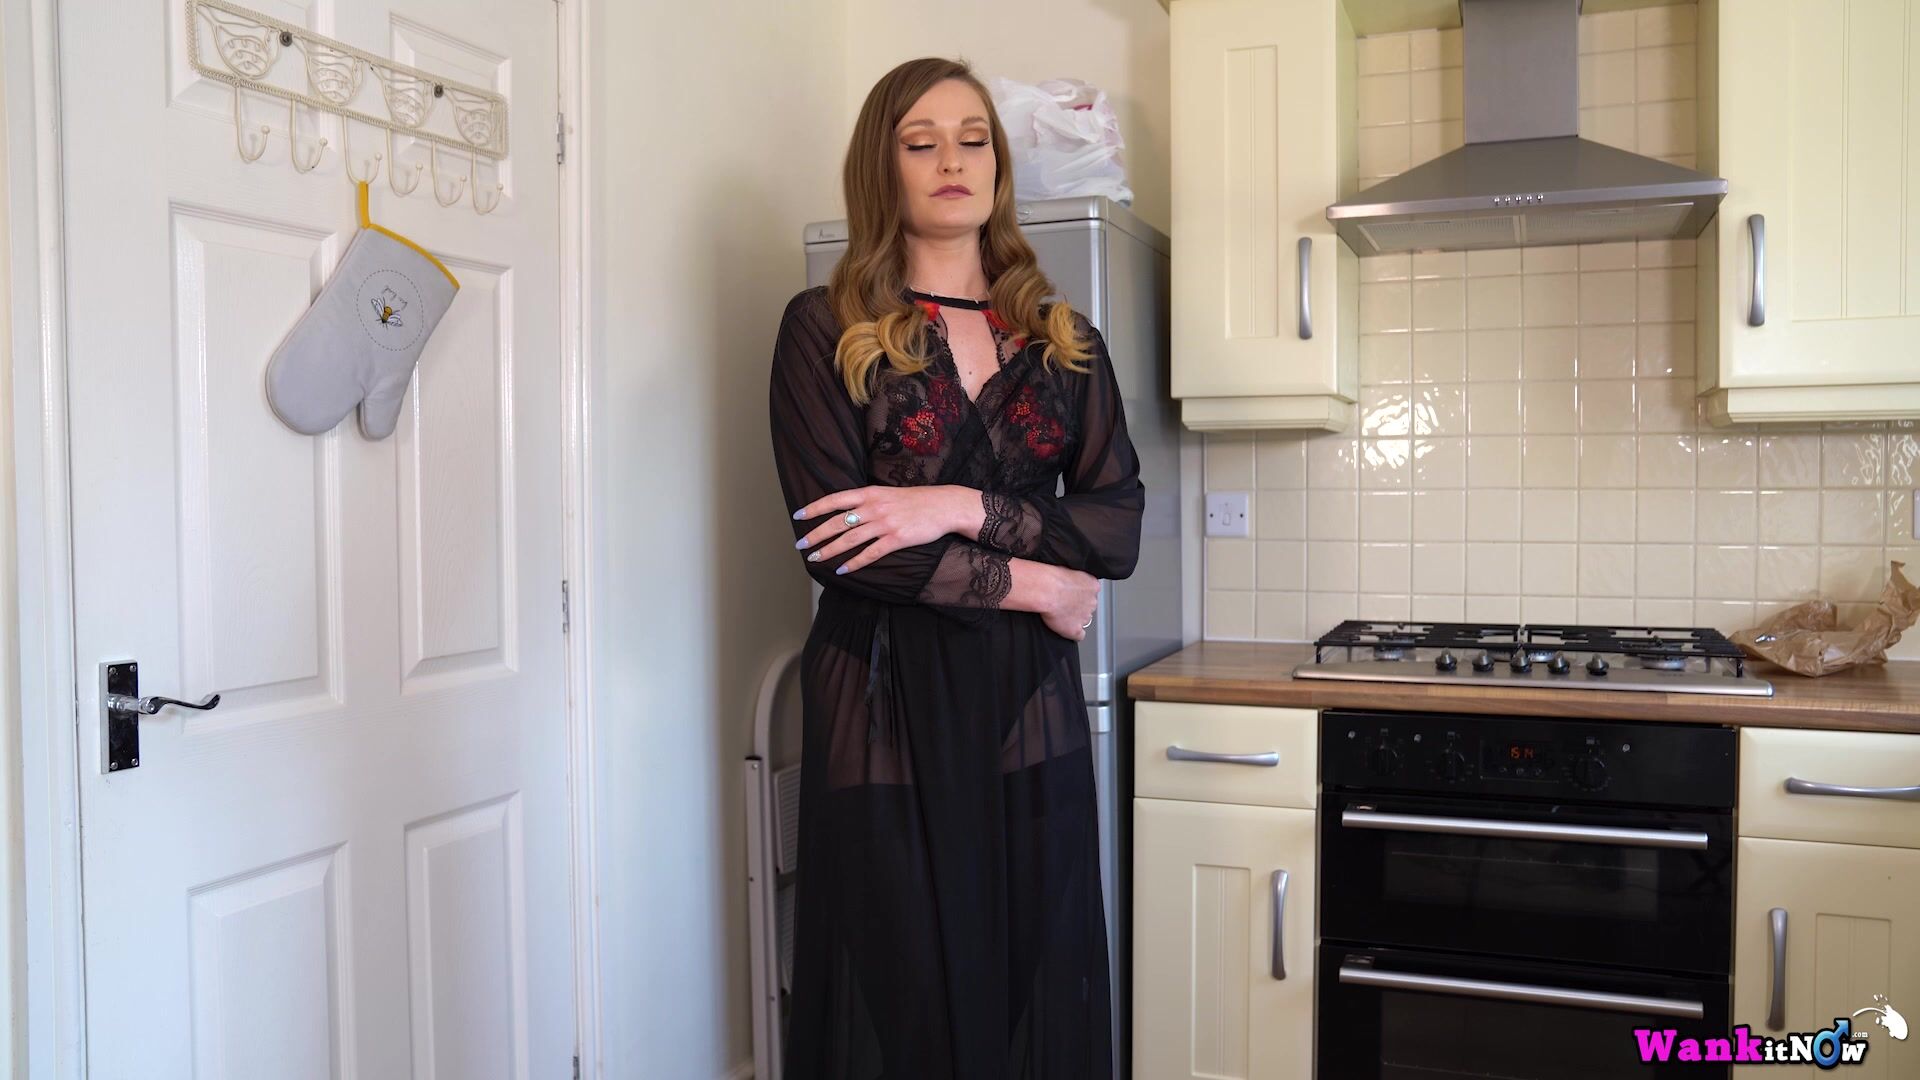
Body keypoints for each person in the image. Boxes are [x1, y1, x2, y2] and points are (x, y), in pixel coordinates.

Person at [766, 55, 1145, 1080]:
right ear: (880, 167)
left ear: (998, 166)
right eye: (920, 141)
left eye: (973, 139)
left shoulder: (1064, 343)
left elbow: (1115, 529)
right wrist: (1041, 582)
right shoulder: (824, 328)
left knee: (1025, 977)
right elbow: (841, 548)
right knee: (910, 999)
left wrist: (955, 507)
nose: (951, 160)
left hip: (1026, 701)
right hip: (880, 698)